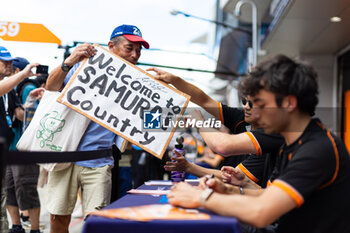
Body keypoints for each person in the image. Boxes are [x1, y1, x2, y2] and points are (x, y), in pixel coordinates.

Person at [167, 54, 350, 233]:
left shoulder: (317, 149)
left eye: (261, 105)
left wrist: (202, 197)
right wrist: (231, 188)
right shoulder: (289, 145)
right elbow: (267, 195)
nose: (255, 114)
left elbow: (261, 212)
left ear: (288, 103)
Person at [45, 24, 149, 233]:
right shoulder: (84, 65)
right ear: (111, 46)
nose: (135, 55)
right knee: (58, 217)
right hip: (65, 155)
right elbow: (51, 87)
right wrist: (69, 62)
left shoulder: (137, 84)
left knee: (97, 223)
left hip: (100, 161)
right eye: (129, 48)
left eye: (138, 50)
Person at [147, 68, 283, 186]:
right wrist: (175, 80)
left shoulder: (271, 135)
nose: (246, 106)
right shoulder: (243, 119)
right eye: (244, 101)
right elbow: (205, 100)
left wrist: (199, 123)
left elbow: (222, 147)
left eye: (253, 103)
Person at [0, 46, 42, 233]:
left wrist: (31, 103)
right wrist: (24, 75)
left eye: (11, 61)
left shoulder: (10, 90)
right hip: (12, 150)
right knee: (12, 191)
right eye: (5, 61)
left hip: (11, 149)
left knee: (15, 191)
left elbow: (18, 114)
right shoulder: (8, 86)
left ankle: (22, 227)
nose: (9, 64)